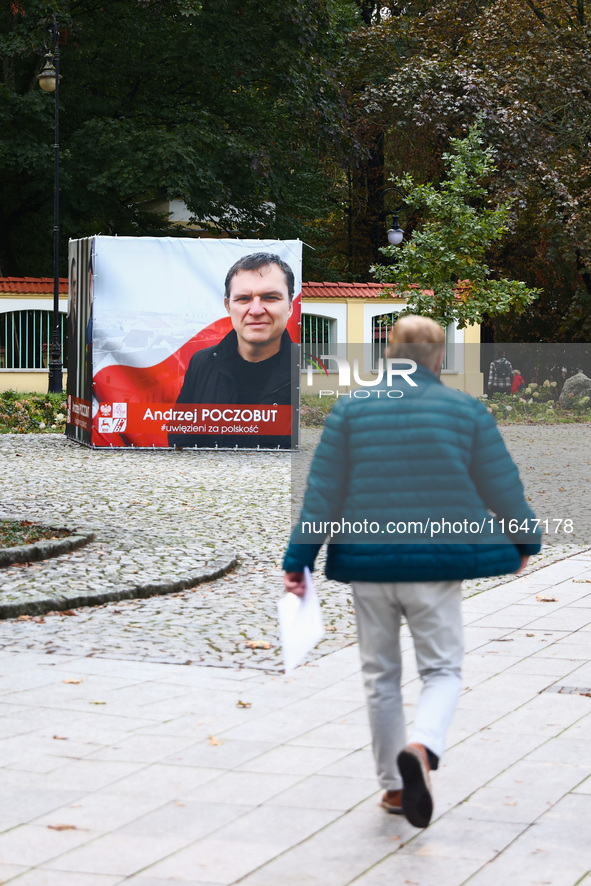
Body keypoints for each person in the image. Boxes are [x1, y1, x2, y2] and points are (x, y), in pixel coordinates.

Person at [283, 315, 541, 829]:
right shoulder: (465, 410)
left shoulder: (351, 409)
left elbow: (322, 495)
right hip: (435, 562)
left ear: (388, 355)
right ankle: (422, 748)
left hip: (367, 563)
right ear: (440, 358)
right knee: (442, 669)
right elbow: (501, 484)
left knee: (380, 674)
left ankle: (395, 789)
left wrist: (299, 560)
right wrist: (524, 538)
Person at [168, 252, 294, 448]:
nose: (256, 310)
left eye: (270, 297)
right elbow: (179, 436)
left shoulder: (307, 370)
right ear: (228, 306)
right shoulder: (202, 363)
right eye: (243, 298)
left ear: (290, 306)